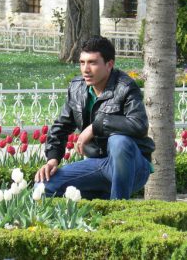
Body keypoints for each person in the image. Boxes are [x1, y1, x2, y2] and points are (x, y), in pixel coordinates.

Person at [35, 35, 155, 200]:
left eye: (92, 62)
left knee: (118, 141)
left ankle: (118, 212)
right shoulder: (77, 88)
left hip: (133, 167)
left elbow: (139, 124)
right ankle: (93, 206)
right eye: (82, 62)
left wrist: (95, 126)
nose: (86, 69)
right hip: (99, 164)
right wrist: (52, 160)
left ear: (109, 65)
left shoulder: (126, 87)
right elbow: (61, 127)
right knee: (43, 186)